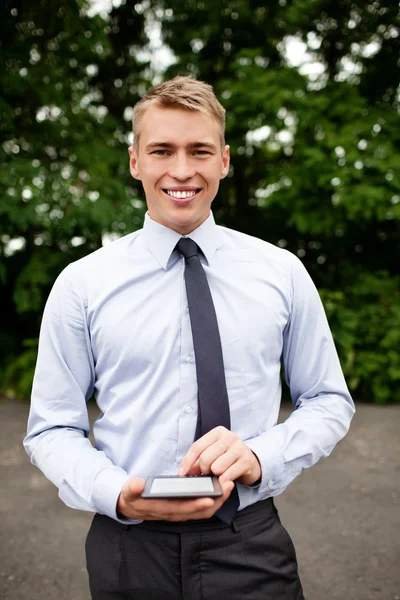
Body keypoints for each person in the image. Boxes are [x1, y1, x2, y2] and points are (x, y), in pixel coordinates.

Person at [24, 76, 355, 600]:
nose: (182, 170)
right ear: (136, 161)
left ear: (224, 160)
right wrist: (119, 495)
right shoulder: (81, 284)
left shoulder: (282, 272)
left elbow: (328, 401)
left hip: (249, 542)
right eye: (162, 150)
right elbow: (50, 429)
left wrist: (262, 455)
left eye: (199, 150)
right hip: (127, 549)